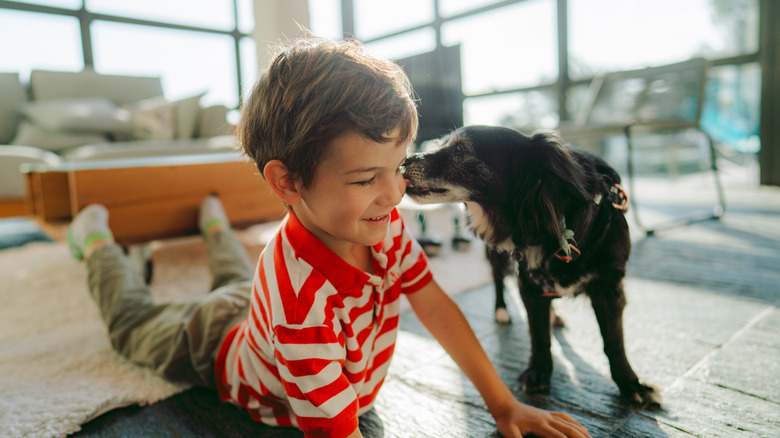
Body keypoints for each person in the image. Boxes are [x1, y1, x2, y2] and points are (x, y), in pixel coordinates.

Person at [68, 36, 591, 438]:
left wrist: (503, 404)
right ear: (287, 183)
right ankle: (95, 243)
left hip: (256, 310)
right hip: (214, 345)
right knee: (133, 324)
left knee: (238, 282)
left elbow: (432, 303)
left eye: (397, 166)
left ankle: (214, 228)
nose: (395, 193)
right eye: (366, 179)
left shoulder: (379, 226)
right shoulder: (301, 302)